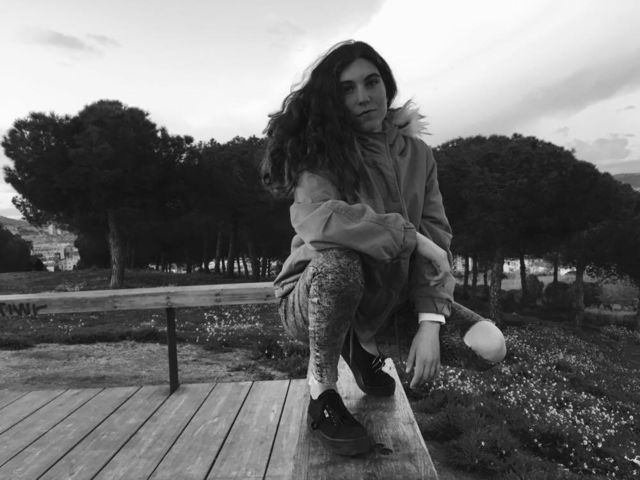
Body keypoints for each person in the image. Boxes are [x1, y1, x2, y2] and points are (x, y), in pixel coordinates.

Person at [261, 40, 505, 456]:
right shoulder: (319, 149)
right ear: (332, 98)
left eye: (371, 82)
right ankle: (322, 393)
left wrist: (430, 321)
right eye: (347, 88)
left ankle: (361, 349)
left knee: (490, 346)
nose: (363, 97)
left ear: (386, 85)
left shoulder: (419, 154)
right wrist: (409, 237)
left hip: (388, 301)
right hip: (313, 298)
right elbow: (318, 220)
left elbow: (437, 233)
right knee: (340, 263)